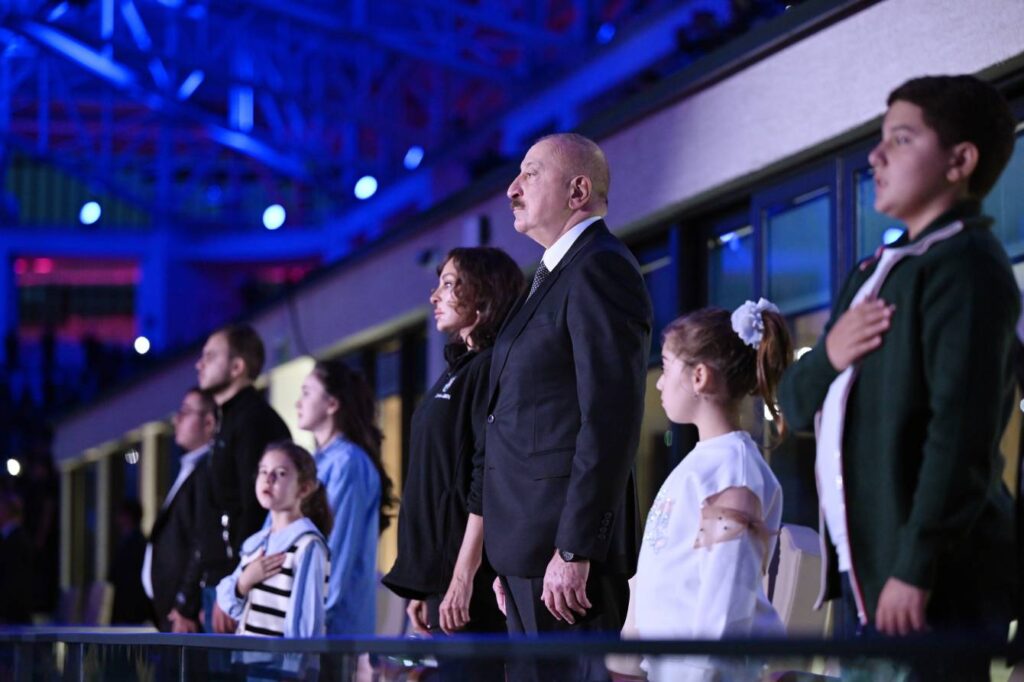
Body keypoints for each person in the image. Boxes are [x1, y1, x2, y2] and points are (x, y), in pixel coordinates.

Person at [777, 75, 1019, 679]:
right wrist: (829, 355)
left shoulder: (967, 267)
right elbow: (795, 404)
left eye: (902, 139)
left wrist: (916, 566)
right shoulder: (873, 272)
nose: (876, 156)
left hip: (931, 578)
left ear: (960, 161)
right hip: (868, 568)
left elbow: (959, 438)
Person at [483, 133, 652, 681]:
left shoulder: (601, 267)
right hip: (528, 552)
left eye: (530, 174)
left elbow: (609, 418)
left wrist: (575, 549)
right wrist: (510, 555)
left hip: (564, 558)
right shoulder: (549, 276)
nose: (512, 189)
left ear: (577, 191)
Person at [383, 247, 523, 674]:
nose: (434, 296)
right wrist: (422, 581)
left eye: (448, 284)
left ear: (483, 294)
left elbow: (487, 475)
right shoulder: (457, 369)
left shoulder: (491, 367)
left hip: (469, 585)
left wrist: (463, 575)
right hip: (440, 583)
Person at [635, 302, 791, 681]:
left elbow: (727, 594)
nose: (659, 382)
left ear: (700, 376)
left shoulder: (734, 470)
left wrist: (703, 672)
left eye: (666, 367)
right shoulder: (705, 463)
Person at [183, 323, 292, 633]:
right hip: (225, 582)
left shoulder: (253, 421)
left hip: (239, 583)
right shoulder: (229, 420)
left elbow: (256, 510)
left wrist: (236, 586)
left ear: (237, 367)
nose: (199, 364)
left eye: (210, 356)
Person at [293, 359, 395, 636]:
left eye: (307, 392)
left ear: (332, 404)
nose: (298, 403)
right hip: (309, 621)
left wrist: (317, 617)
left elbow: (337, 550)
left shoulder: (347, 463)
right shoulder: (320, 461)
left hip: (331, 628)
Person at [216, 442, 330, 680]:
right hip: (248, 665)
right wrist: (244, 582)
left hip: (282, 671)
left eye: (281, 473)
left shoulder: (307, 545)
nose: (268, 479)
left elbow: (306, 621)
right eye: (263, 471)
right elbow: (228, 601)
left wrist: (295, 669)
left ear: (304, 488)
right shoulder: (256, 543)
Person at [144, 387, 217, 633]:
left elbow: (203, 540)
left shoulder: (208, 470)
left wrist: (185, 604)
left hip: (183, 617)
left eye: (185, 412)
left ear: (209, 422)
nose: (177, 420)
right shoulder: (192, 468)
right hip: (170, 612)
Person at [0, 490, 33, 625]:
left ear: (5, 511)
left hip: (13, 620)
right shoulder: (14, 538)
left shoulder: (16, 541)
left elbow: (12, 583)